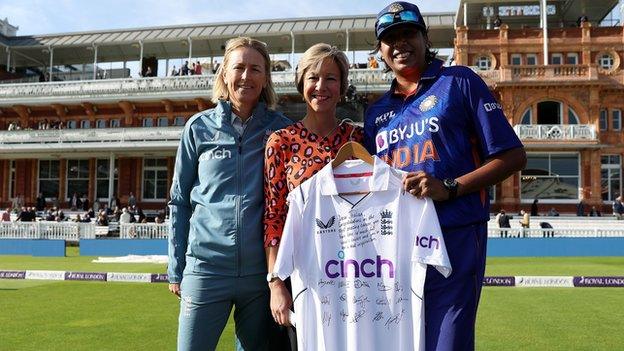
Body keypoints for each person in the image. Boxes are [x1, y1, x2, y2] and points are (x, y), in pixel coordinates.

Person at [363, 2, 527, 350]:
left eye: (408, 33)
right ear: (379, 51)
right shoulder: (376, 112)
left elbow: (513, 155)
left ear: (425, 37)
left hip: (456, 233)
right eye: (389, 39)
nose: (400, 44)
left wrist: (449, 187)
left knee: (446, 344)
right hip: (395, 245)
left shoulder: (459, 81)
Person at [168, 36, 291, 351]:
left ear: (265, 79)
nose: (246, 76)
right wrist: (176, 266)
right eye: (239, 67)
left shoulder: (281, 131)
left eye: (256, 69)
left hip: (260, 276)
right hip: (206, 269)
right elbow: (179, 202)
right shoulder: (198, 128)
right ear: (224, 73)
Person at [263, 43, 363, 346]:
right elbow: (274, 216)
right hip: (304, 276)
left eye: (331, 78)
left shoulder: (358, 139)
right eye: (313, 78)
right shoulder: (280, 142)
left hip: (358, 272)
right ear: (301, 83)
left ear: (343, 86)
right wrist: (276, 284)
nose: (321, 86)